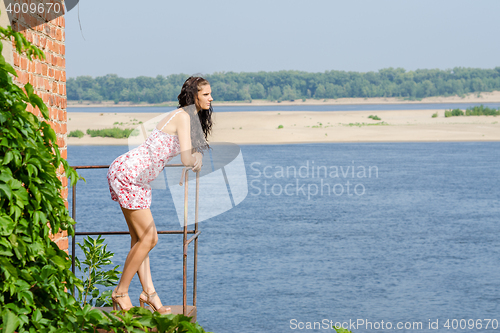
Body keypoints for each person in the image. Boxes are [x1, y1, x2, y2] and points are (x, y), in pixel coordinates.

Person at [106, 76, 214, 312]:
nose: (210, 98)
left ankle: (149, 293)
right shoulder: (183, 116)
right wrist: (194, 160)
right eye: (206, 94)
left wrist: (198, 157)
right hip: (130, 174)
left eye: (210, 94)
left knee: (140, 240)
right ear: (194, 95)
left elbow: (194, 152)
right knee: (150, 238)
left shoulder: (189, 119)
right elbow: (187, 158)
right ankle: (120, 292)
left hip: (140, 179)